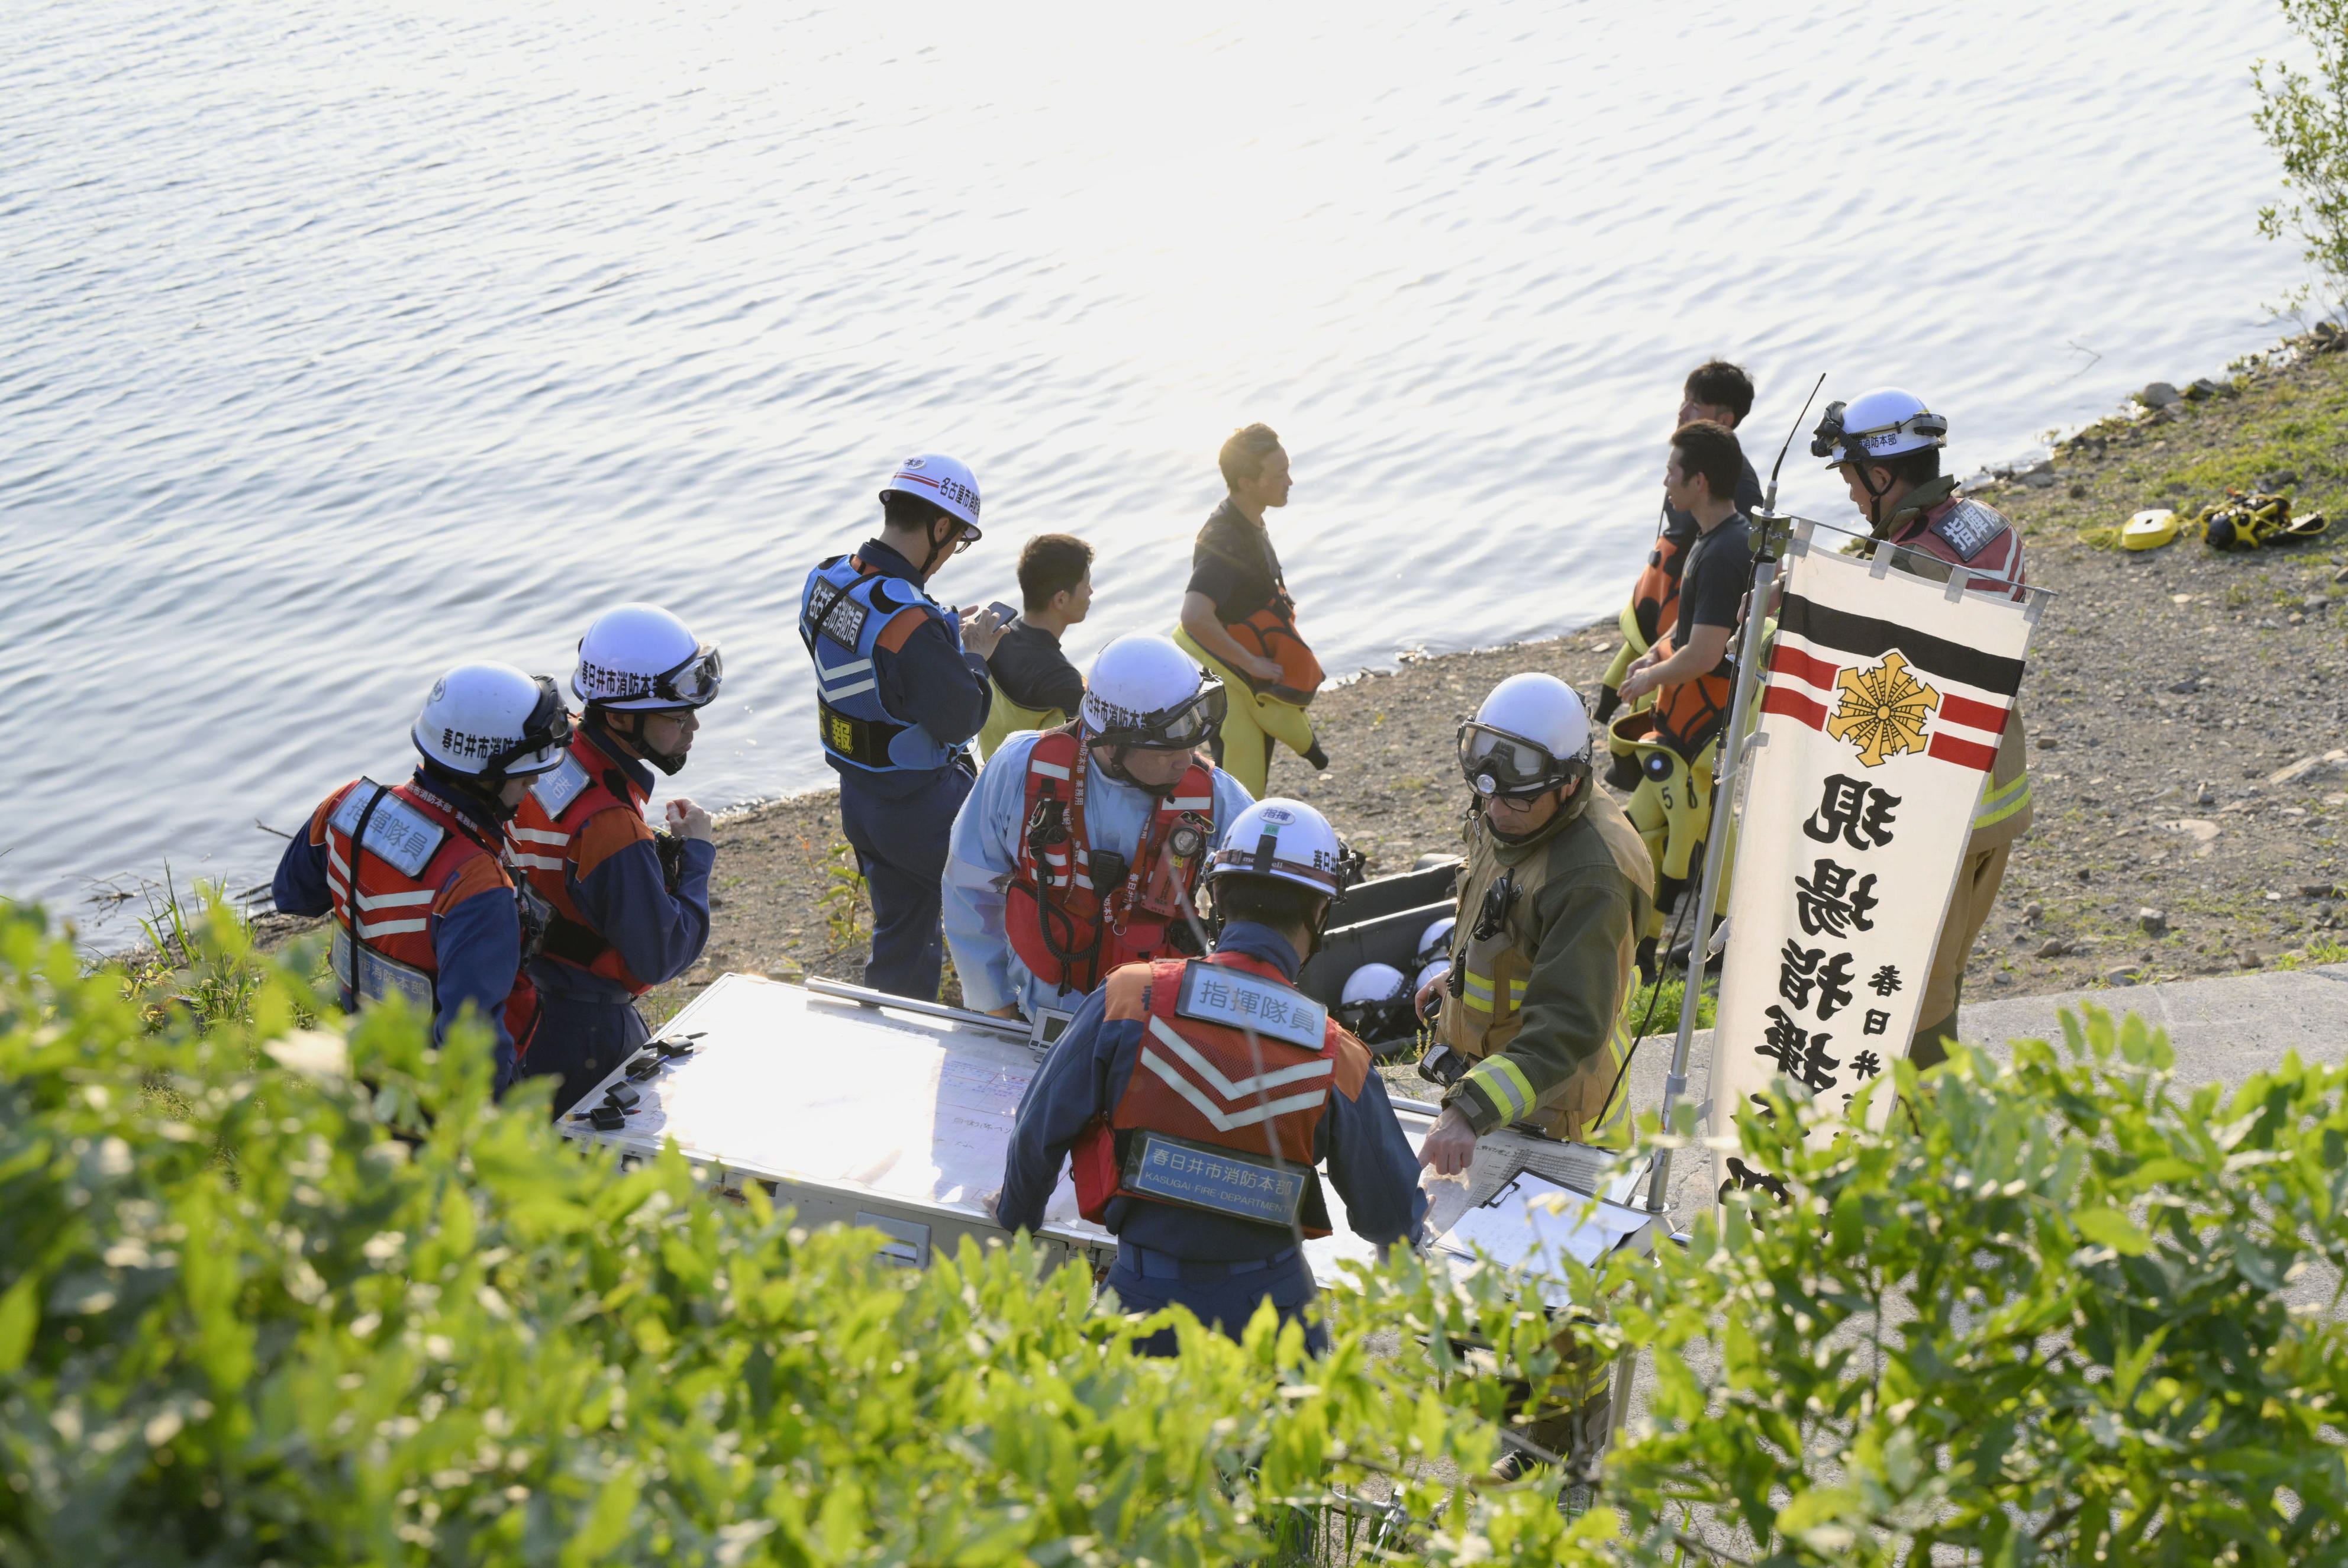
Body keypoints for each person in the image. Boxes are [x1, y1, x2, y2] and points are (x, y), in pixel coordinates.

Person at [995, 797, 1427, 1355]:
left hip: (1139, 1306)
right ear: (1321, 913)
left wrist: (1017, 1215)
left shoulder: (1129, 998)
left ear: (1216, 894)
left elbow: (1038, 1128)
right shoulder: (1338, 1058)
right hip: (1276, 1321)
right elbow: (1390, 1212)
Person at [1814, 388, 2031, 1067]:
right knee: (1945, 978)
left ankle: (1939, 1155)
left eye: (1850, 478)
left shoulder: (1908, 566)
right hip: (1999, 789)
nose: (1849, 494)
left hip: (1936, 813)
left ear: (1881, 476)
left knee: (1916, 1012)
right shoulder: (1988, 525)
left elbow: (1869, 696)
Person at [273, 663, 572, 1090]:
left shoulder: (348, 805)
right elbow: (471, 1055)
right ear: (488, 775)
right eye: (526, 773)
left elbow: (293, 896)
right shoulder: (476, 885)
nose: (534, 783)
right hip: (431, 1096)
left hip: (359, 1056)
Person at [944, 633, 1255, 1027]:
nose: (1185, 761)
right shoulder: (1019, 770)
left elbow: (1270, 895)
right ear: (1110, 744)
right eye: (1168, 748)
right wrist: (996, 1007)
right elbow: (967, 890)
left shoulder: (1215, 796)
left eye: (1192, 743)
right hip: (1036, 1013)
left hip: (1159, 1025)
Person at [1415, 673, 1656, 1172]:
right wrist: (1462, 975)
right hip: (1504, 1100)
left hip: (1562, 1127)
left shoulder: (1591, 878)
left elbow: (1567, 1026)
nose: (1496, 811)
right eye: (1487, 795)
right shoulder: (1513, 802)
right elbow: (1509, 916)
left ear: (1568, 783)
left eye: (1514, 800)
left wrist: (1466, 1111)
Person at [799, 454, 1006, 999]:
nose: (951, 554)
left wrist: (940, 645)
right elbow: (963, 716)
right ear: (940, 527)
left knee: (902, 937)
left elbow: (872, 666)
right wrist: (975, 655)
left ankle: (889, 1040)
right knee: (1015, 907)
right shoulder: (912, 619)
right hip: (923, 808)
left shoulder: (825, 579)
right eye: (958, 539)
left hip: (861, 798)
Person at [505, 604, 723, 1114]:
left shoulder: (549, 752)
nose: (692, 728)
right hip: (586, 1031)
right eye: (677, 716)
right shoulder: (609, 824)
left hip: (523, 998)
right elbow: (662, 954)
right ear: (622, 715)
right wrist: (696, 855)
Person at [1611, 420, 1756, 969]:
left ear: (1698, 480)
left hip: (1701, 729)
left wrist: (1650, 679)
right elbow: (1691, 629)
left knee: (1659, 831)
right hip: (1689, 724)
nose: (1665, 481)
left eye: (1672, 471)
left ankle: (1649, 946)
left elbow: (1707, 655)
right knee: (1687, 827)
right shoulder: (1713, 538)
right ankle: (1678, 942)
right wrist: (1655, 652)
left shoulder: (1722, 553)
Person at [1596, 360, 1766, 782]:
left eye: (1695, 405)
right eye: (1684, 400)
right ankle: (1604, 741)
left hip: (1694, 625)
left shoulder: (1734, 503)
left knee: (1641, 705)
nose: (1683, 410)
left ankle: (1632, 772)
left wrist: (1661, 662)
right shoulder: (1698, 486)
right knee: (1618, 686)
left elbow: (1729, 595)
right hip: (1670, 610)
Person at [1173, 423, 1330, 799]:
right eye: (1279, 475)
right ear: (1247, 482)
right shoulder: (1225, 542)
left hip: (1250, 681)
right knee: (1236, 786)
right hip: (1236, 686)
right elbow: (1194, 616)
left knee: (1244, 781)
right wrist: (1252, 663)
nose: (1289, 481)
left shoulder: (1248, 519)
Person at [975, 533, 1093, 762]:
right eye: (1086, 585)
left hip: (994, 768)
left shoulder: (996, 637)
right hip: (1029, 787)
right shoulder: (1061, 679)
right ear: (1060, 600)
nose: (1091, 592)